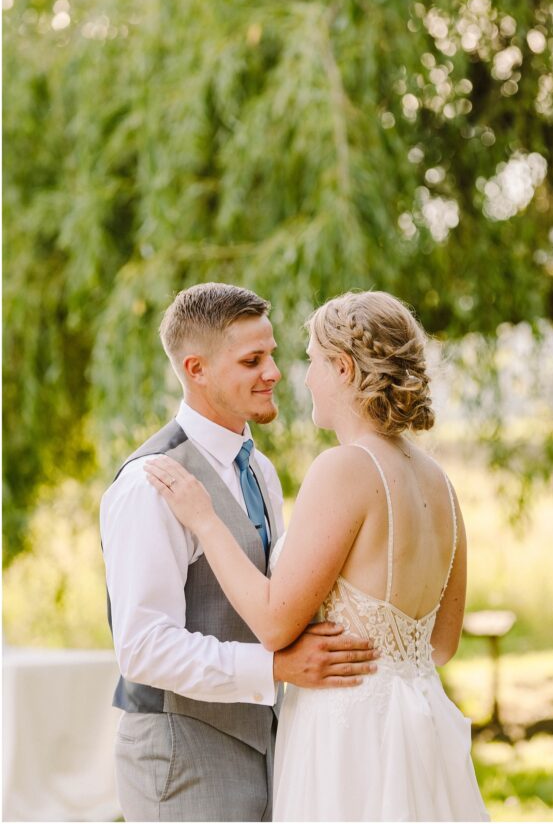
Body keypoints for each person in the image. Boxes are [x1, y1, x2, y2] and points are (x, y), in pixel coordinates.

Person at [145, 290, 490, 822]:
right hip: (420, 726)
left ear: (343, 368)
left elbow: (273, 625)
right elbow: (441, 644)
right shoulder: (440, 483)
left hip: (348, 733)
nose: (300, 377)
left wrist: (205, 519)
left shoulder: (345, 468)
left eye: (310, 360)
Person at [101, 283, 378, 823]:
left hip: (267, 751)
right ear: (196, 369)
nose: (274, 373)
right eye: (253, 360)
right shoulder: (150, 484)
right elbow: (144, 648)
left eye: (271, 354)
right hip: (182, 758)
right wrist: (276, 667)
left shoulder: (260, 470)